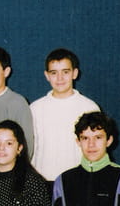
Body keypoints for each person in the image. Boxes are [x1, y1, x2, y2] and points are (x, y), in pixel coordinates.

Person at [30, 48, 100, 181]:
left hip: (78, 180)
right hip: (42, 182)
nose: (60, 78)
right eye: (54, 73)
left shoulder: (89, 108)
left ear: (75, 73)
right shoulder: (35, 109)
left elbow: (96, 149)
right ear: (46, 75)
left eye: (65, 72)